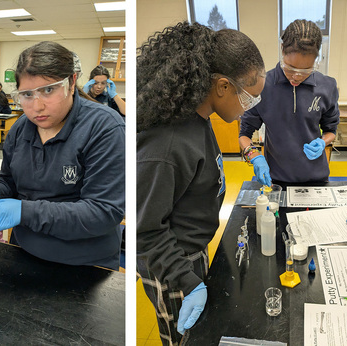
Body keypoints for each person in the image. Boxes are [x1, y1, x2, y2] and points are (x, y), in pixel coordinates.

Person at [137, 22, 265, 345]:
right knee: (185, 338)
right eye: (248, 98)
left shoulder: (199, 117)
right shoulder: (167, 144)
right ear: (222, 86)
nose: (248, 108)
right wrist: (187, 280)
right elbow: (147, 229)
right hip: (170, 263)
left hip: (190, 250)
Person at [0, 41, 125, 271]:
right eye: (27, 94)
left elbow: (102, 212)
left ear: (71, 82)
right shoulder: (21, 128)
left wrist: (24, 211)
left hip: (85, 265)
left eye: (48, 90)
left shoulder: (104, 128)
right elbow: (9, 179)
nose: (37, 106)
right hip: (24, 253)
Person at [238, 19, 339, 186]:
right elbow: (244, 134)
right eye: (290, 67)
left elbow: (331, 130)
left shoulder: (327, 86)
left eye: (306, 70)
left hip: (316, 178)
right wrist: (254, 156)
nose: (296, 76)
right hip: (275, 179)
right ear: (282, 50)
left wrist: (323, 142)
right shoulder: (263, 85)